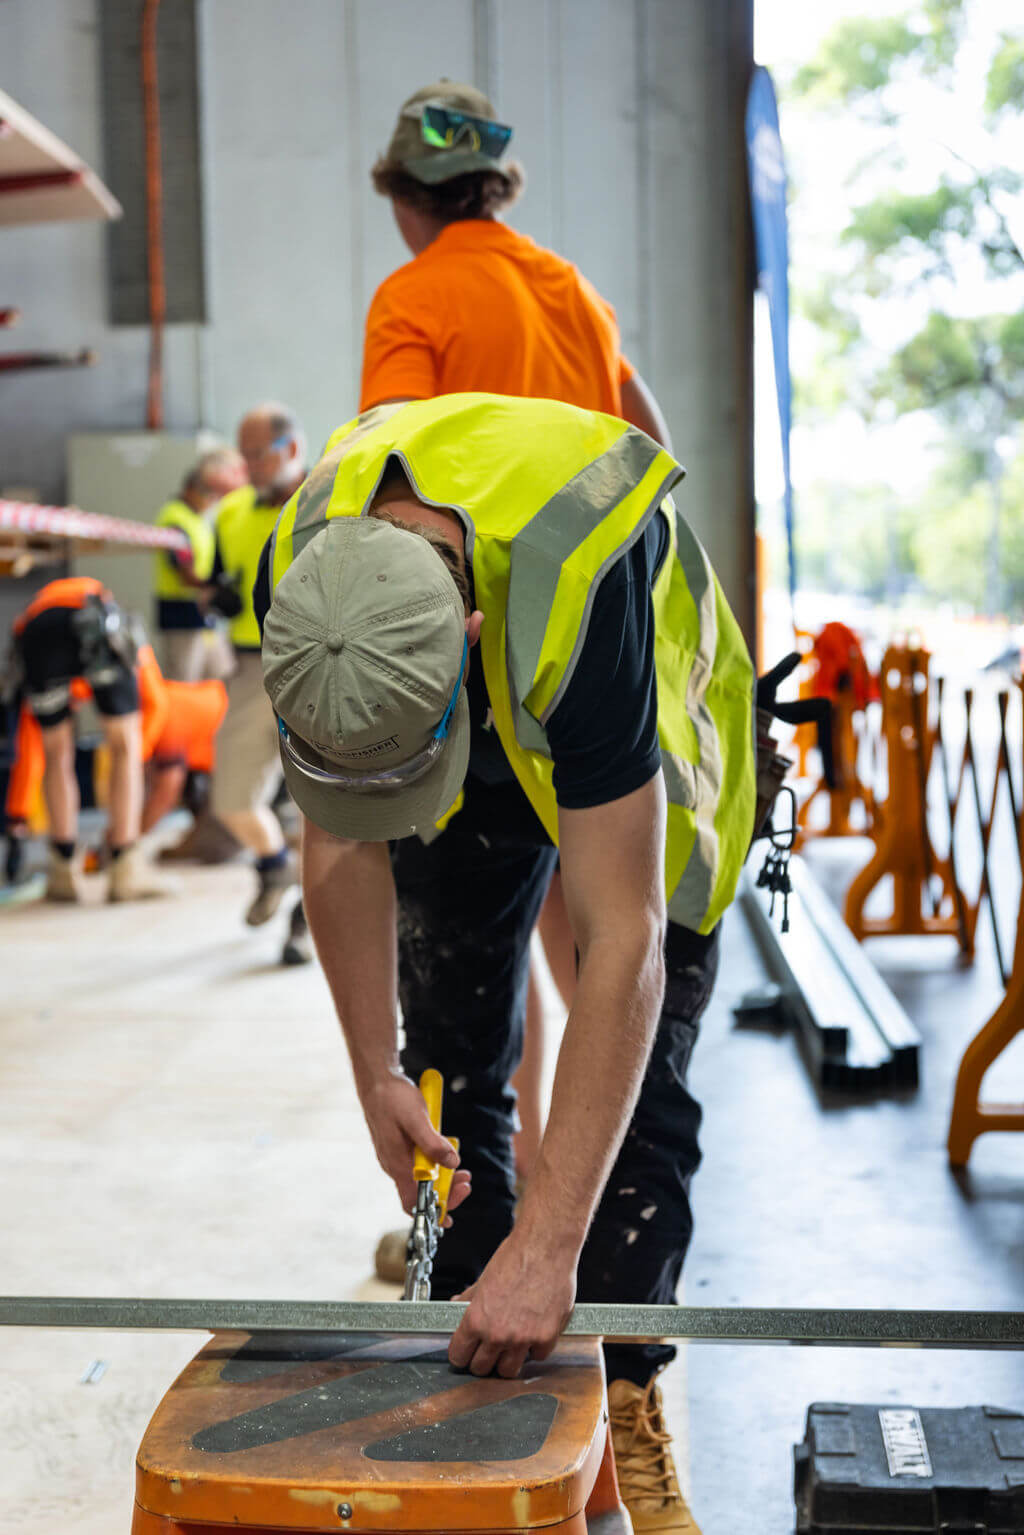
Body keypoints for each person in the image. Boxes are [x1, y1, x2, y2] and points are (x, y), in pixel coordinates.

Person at [256, 394, 755, 1535]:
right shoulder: (305, 582)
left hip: (644, 730)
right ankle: (476, 1400)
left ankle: (626, 1405)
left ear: (470, 635)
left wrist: (552, 1241)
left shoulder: (582, 582)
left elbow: (620, 939)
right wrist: (373, 1070)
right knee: (450, 1059)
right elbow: (338, 838)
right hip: (454, 720)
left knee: (637, 1090)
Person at [363, 78, 672, 1192]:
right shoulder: (571, 292)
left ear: (405, 196)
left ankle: (487, 1192)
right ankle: (584, 1186)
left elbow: (392, 475)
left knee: (472, 968)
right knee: (599, 937)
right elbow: (648, 444)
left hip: (479, 669)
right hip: (588, 658)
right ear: (496, 187)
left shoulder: (413, 295)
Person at [210, 404, 310, 965]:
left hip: (318, 665)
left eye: (258, 454)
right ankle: (276, 868)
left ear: (291, 448)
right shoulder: (229, 513)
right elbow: (219, 578)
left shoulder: (329, 501)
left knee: (324, 812)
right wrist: (216, 594)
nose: (246, 466)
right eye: (242, 454)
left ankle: (307, 920)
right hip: (251, 669)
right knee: (232, 798)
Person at [7, 577, 174, 902]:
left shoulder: (32, 615)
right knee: (123, 747)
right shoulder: (111, 611)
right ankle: (125, 867)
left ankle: (62, 872)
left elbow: (28, 745)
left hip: (39, 634)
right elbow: (156, 702)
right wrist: (139, 757)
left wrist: (18, 811)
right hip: (94, 620)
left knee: (55, 752)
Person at [6, 639, 228, 862]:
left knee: (221, 832)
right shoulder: (147, 703)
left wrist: (122, 841)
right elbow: (29, 751)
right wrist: (17, 812)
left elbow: (166, 793)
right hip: (202, 734)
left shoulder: (165, 717)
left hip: (224, 738)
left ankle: (141, 851)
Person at [153, 448, 248, 682]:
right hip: (182, 616)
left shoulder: (198, 519)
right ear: (190, 490)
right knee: (184, 683)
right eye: (207, 493)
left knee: (221, 677)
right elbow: (185, 571)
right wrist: (215, 588)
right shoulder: (175, 519)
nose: (211, 500)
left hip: (204, 615)